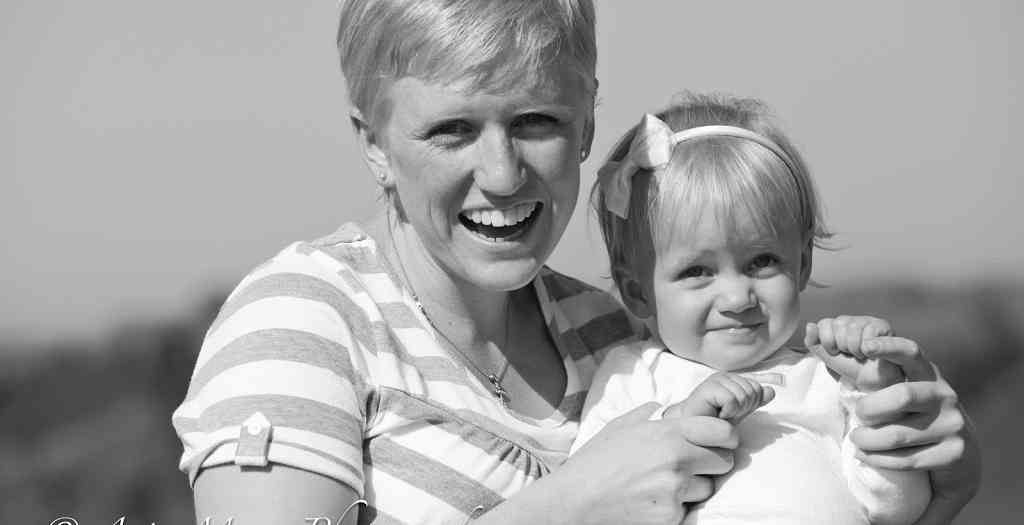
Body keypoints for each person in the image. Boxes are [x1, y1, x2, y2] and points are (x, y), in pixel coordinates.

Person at [171, 1, 979, 524]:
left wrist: (940, 466)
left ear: (589, 122)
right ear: (373, 144)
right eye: (451, 130)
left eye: (535, 121)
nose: (501, 173)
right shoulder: (304, 320)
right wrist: (570, 505)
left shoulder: (609, 331)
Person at [573, 94, 937, 524]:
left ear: (802, 264)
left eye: (762, 262)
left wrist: (877, 398)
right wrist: (681, 423)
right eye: (697, 271)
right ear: (637, 292)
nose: (737, 298)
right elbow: (591, 496)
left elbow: (898, 510)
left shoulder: (830, 379)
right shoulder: (633, 375)